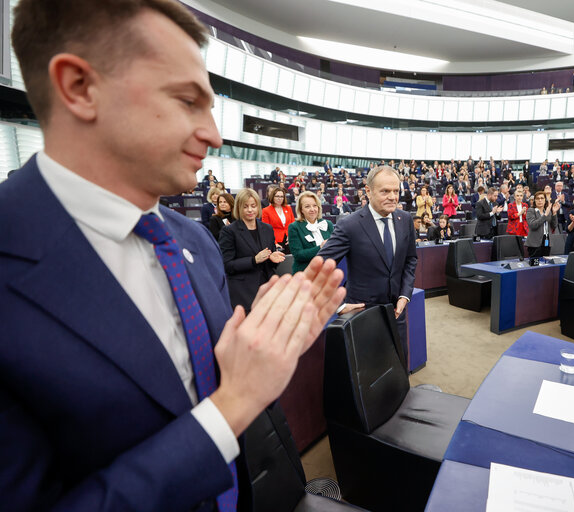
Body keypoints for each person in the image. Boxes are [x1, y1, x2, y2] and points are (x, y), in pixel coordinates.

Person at [1, 1, 345, 510]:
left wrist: (258, 354)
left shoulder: (193, 240)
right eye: (188, 100)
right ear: (79, 87)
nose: (214, 134)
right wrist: (235, 403)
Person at [318, 165, 418, 362]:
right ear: (368, 191)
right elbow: (319, 269)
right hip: (362, 315)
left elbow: (410, 259)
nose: (392, 197)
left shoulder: (405, 219)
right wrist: (336, 305)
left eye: (396, 191)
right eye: (385, 191)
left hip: (397, 314)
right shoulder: (350, 224)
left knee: (398, 370)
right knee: (369, 377)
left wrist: (405, 295)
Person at [219, 189, 286, 312]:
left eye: (253, 206)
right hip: (243, 292)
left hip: (268, 287)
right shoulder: (229, 231)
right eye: (245, 207)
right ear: (239, 208)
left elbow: (268, 260)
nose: (250, 210)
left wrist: (273, 259)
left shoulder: (267, 229)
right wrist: (254, 260)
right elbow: (227, 265)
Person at [287, 191, 334, 273]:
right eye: (307, 206)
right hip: (305, 273)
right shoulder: (294, 227)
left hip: (326, 273)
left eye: (315, 206)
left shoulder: (327, 224)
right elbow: (298, 255)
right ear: (301, 210)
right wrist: (320, 247)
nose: (312, 209)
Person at [261, 186, 295, 253]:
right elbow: (266, 230)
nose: (280, 198)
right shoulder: (266, 210)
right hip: (276, 241)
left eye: (282, 196)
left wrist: (291, 236)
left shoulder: (288, 208)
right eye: (277, 196)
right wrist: (274, 243)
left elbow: (293, 224)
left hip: (289, 240)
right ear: (273, 197)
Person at [525, 191, 559, 258]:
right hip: (534, 243)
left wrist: (554, 213)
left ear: (545, 200)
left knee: (545, 263)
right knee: (535, 264)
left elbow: (554, 225)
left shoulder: (547, 211)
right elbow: (533, 225)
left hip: (546, 240)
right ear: (534, 200)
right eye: (537, 198)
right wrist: (545, 215)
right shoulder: (531, 211)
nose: (540, 200)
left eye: (542, 198)